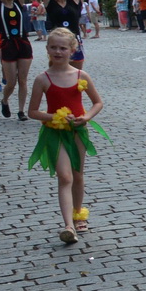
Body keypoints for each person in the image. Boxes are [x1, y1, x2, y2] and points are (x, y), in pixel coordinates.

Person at [26, 28, 106, 245]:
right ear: (47, 49)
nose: (58, 51)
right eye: (54, 47)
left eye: (63, 48)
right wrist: (52, 116)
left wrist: (86, 117)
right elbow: (32, 111)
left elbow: (97, 102)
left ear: (73, 50)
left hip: (77, 131)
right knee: (65, 176)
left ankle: (78, 212)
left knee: (78, 174)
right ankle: (68, 225)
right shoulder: (42, 79)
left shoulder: (81, 76)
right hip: (55, 133)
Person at [0, 0, 35, 120]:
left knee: (23, 80)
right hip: (8, 44)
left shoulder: (17, 3)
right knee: (11, 82)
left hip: (23, 42)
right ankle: (4, 100)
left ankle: (21, 111)